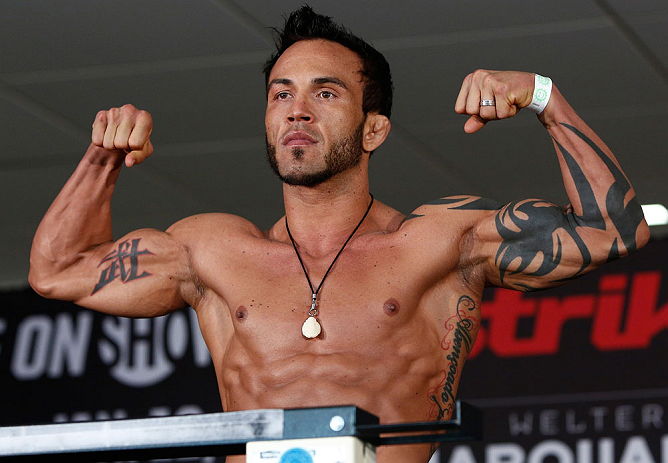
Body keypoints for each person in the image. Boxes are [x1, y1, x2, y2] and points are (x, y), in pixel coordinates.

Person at [28, 5, 649, 462]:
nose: (297, 109)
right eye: (281, 94)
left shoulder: (436, 243)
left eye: (325, 93)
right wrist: (102, 158)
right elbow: (58, 270)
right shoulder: (213, 250)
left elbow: (613, 232)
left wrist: (543, 96)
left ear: (373, 130)